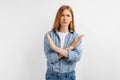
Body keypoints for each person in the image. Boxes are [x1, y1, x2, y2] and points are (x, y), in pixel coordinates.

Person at [44, 5, 84, 80]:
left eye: (68, 15)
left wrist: (55, 48)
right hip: (52, 75)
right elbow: (50, 58)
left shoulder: (75, 37)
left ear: (71, 18)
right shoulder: (49, 36)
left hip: (69, 76)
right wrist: (70, 48)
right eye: (62, 15)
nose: (65, 18)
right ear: (58, 17)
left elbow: (77, 57)